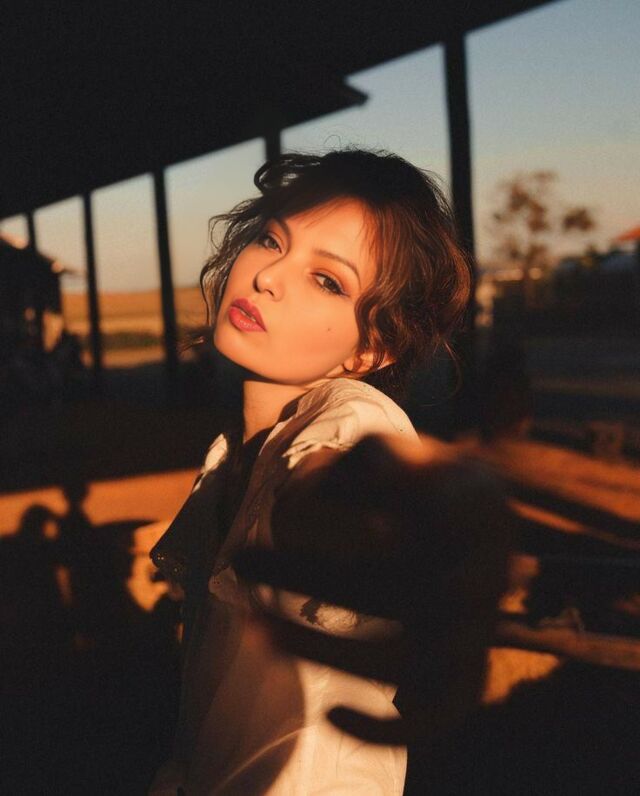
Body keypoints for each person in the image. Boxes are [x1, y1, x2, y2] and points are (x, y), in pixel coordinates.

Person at [148, 148, 473, 795]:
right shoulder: (232, 451)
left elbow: (333, 486)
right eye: (272, 240)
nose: (267, 276)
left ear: (372, 347)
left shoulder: (349, 421)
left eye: (328, 280)